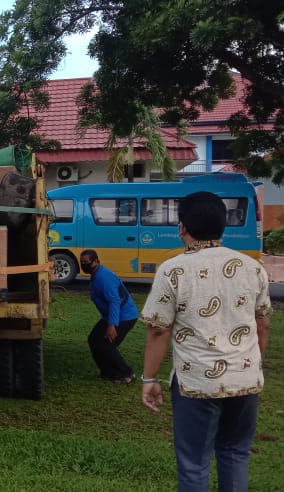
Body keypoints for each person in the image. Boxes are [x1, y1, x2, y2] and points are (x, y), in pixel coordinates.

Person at [139, 191, 271, 491]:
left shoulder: (173, 270)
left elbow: (158, 330)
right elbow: (262, 325)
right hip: (245, 379)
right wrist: (252, 365)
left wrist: (149, 378)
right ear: (223, 226)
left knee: (194, 463)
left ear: (182, 227)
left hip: (196, 382)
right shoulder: (252, 268)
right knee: (236, 453)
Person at [81, 249, 139, 384]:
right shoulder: (96, 275)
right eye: (81, 262)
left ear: (96, 262)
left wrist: (112, 325)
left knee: (107, 345)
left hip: (124, 316)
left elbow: (114, 301)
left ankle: (127, 374)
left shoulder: (103, 277)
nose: (83, 265)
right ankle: (108, 372)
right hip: (111, 316)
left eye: (86, 262)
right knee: (94, 340)